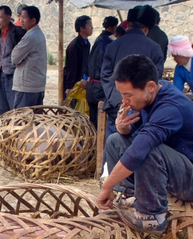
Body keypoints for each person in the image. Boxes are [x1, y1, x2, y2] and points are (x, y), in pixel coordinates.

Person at [97, 54, 193, 232]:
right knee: (115, 140)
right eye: (122, 94)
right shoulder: (150, 96)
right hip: (171, 166)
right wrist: (123, 129)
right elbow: (136, 136)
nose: (124, 101)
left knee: (146, 150)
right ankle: (129, 195)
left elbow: (139, 150)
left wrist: (107, 185)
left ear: (151, 86)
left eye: (128, 95)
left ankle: (151, 216)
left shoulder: (170, 108)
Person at [101, 5, 164, 139]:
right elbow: (156, 79)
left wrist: (119, 100)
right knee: (139, 143)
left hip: (116, 105)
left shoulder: (112, 46)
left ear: (128, 25)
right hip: (142, 107)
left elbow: (105, 75)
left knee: (113, 142)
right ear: (146, 29)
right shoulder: (154, 48)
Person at [0, 5, 26, 115]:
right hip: (0, 73)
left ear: (8, 17)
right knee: (3, 108)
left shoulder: (18, 32)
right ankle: (5, 125)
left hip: (13, 74)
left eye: (0, 17)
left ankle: (15, 125)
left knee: (14, 107)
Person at [11, 6, 47, 109]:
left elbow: (14, 58)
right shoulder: (38, 34)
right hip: (36, 85)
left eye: (24, 18)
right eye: (20, 17)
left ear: (33, 20)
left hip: (27, 87)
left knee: (22, 117)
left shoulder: (30, 37)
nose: (21, 20)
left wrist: (21, 58)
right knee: (35, 117)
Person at [86, 16, 118, 127]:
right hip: (101, 86)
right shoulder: (109, 43)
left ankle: (93, 136)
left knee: (93, 118)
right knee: (102, 119)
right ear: (113, 28)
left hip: (91, 84)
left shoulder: (98, 40)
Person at [63, 15, 93, 98]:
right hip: (74, 83)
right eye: (90, 25)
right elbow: (71, 67)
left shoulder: (87, 43)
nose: (92, 28)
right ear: (82, 28)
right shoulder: (74, 46)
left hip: (81, 81)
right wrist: (69, 86)